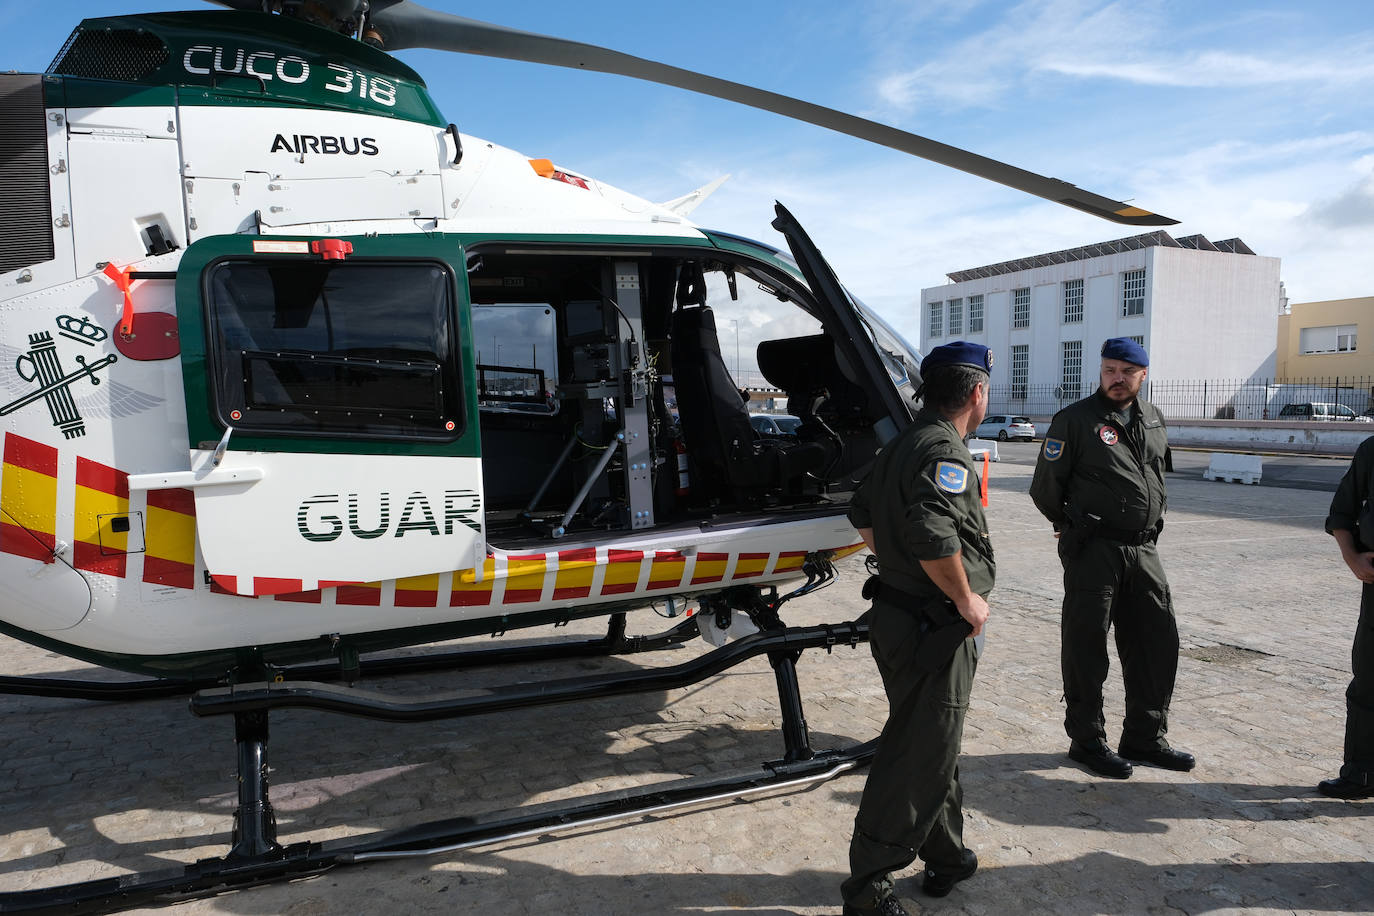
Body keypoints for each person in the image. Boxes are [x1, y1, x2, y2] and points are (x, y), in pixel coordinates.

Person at [840, 341, 994, 916]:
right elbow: (934, 532)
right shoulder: (942, 450)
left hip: (902, 615)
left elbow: (861, 510)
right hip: (935, 625)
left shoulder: (905, 441)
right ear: (977, 392)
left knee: (933, 740)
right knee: (916, 752)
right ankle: (869, 885)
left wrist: (898, 565)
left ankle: (948, 855)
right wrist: (965, 598)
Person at [1029, 338, 1194, 779]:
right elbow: (1045, 488)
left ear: (1143, 375)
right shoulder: (1075, 420)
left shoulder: (1154, 418)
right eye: (1108, 370)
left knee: (1156, 642)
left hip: (1144, 548)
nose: (1116, 379)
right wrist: (1071, 524)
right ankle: (1087, 740)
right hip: (1094, 550)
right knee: (1086, 646)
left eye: (1125, 371)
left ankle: (1145, 736)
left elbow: (1156, 475)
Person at [1318, 437, 1374, 799]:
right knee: (1368, 681)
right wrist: (1352, 557)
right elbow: (1341, 512)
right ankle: (1361, 774)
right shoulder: (1371, 452)